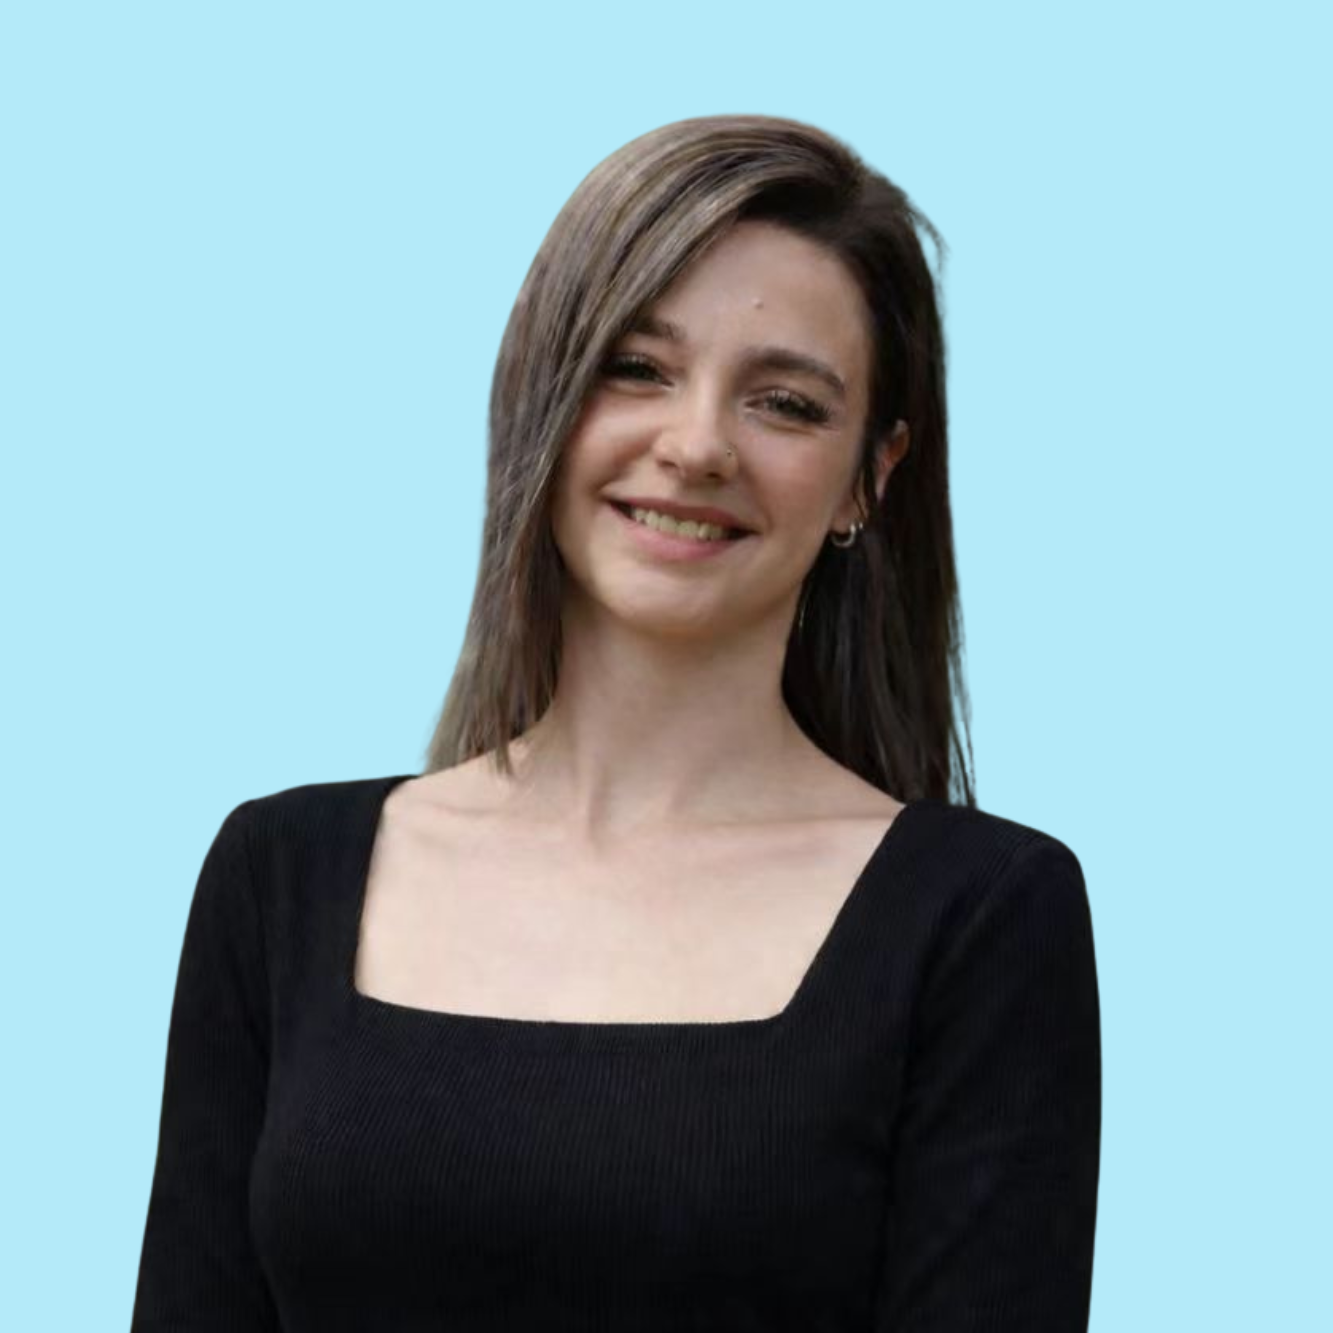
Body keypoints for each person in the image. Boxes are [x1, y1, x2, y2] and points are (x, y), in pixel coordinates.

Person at [131, 113, 1101, 1330]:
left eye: (784, 403)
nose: (695, 446)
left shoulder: (980, 918)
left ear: (870, 474)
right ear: (542, 394)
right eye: (636, 368)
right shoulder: (279, 877)